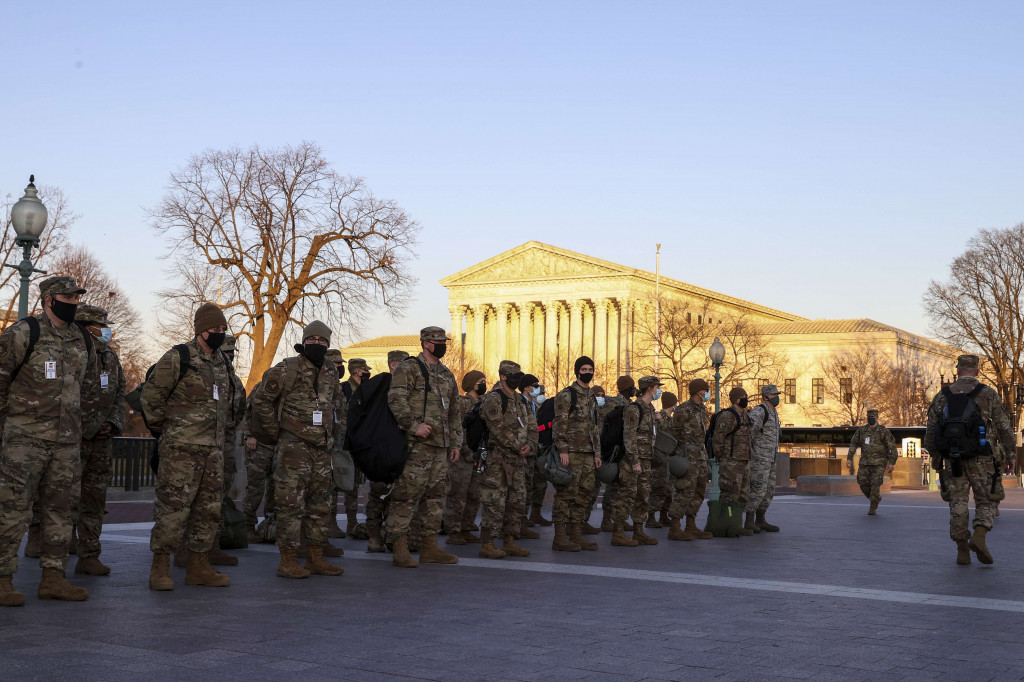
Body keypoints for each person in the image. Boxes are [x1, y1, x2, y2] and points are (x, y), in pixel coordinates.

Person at [0, 276, 97, 606]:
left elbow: (88, 387)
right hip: (24, 440)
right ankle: (3, 580)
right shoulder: (23, 333)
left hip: (66, 443)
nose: (74, 303)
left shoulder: (83, 338)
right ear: (49, 300)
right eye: (67, 298)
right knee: (13, 509)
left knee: (61, 511)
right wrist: (8, 429)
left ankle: (53, 578)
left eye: (76, 298)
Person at [143, 302, 236, 591]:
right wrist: (167, 431)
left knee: (208, 511)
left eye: (223, 328)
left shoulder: (223, 363)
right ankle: (160, 567)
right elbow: (151, 398)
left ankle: (199, 566)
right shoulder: (178, 357)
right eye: (214, 328)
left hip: (213, 451)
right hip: (181, 450)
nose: (220, 333)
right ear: (200, 330)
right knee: (174, 509)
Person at [252, 321, 343, 579]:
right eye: (311, 339)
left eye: (322, 340)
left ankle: (315, 557)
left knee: (320, 506)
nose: (317, 343)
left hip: (322, 450)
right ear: (303, 342)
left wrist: (333, 436)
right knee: (290, 506)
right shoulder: (286, 368)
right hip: (294, 448)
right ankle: (288, 560)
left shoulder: (330, 371)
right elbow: (261, 400)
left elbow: (336, 404)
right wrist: (277, 431)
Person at [925, 354, 1016, 565]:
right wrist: (1010, 455)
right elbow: (1004, 427)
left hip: (953, 458)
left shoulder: (943, 395)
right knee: (988, 499)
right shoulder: (988, 393)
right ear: (977, 371)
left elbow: (931, 430)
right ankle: (979, 536)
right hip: (983, 457)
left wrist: (936, 455)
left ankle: (962, 551)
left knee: (958, 503)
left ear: (958, 370)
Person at [386, 326, 462, 568]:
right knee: (406, 496)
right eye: (438, 342)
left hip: (440, 447)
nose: (443, 346)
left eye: (444, 342)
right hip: (416, 446)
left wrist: (455, 442)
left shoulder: (447, 374)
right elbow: (396, 399)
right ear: (426, 343)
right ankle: (399, 546)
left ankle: (430, 547)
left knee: (436, 497)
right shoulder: (409, 368)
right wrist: (413, 425)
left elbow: (454, 411)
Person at [73, 304, 126, 576]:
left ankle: (89, 554)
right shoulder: (73, 353)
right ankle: (54, 557)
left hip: (101, 442)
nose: (106, 330)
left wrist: (112, 423)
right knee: (64, 500)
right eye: (101, 326)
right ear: (86, 327)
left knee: (94, 501)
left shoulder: (110, 357)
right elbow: (63, 395)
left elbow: (120, 393)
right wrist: (92, 426)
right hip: (73, 440)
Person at [478, 361, 538, 559]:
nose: (518, 379)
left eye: (520, 375)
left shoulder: (521, 400)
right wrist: (518, 446)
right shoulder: (494, 399)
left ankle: (510, 540)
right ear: (503, 376)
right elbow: (498, 428)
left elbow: (532, 425)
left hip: (518, 460)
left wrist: (530, 445)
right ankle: (488, 543)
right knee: (494, 502)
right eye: (514, 375)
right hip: (498, 460)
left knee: (516, 501)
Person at [551, 356, 602, 552]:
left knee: (584, 494)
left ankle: (576, 534)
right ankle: (560, 537)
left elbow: (594, 427)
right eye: (584, 369)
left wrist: (597, 453)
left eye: (590, 369)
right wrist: (563, 450)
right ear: (577, 371)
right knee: (566, 494)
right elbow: (559, 425)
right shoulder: (567, 395)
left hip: (588, 453)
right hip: (571, 453)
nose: (588, 372)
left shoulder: (591, 396)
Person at [361, 350, 410, 553]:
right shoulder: (380, 386)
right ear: (393, 365)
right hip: (381, 448)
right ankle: (374, 536)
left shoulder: (409, 387)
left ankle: (391, 536)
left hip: (402, 447)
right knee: (378, 493)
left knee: (399, 494)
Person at [611, 376, 660, 547]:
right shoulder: (634, 408)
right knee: (627, 495)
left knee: (643, 496)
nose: (658, 390)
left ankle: (639, 531)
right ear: (649, 388)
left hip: (646, 459)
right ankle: (618, 533)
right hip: (633, 461)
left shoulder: (650, 409)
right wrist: (634, 461)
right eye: (656, 387)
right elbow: (629, 436)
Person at [668, 379, 713, 541]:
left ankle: (691, 524)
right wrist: (677, 454)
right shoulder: (683, 410)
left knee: (699, 491)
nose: (707, 393)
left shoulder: (702, 410)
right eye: (705, 390)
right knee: (685, 490)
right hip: (687, 456)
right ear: (697, 392)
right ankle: (675, 526)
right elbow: (674, 433)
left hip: (700, 455)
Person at [444, 370, 486, 546]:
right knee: (458, 494)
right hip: (462, 457)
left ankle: (467, 528)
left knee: (475, 494)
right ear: (471, 384)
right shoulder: (462, 403)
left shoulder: (484, 403)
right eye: (480, 381)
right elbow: (456, 428)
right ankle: (453, 532)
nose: (483, 384)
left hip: (479, 455)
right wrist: (465, 449)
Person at [712, 386, 753, 537]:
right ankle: (727, 524)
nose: (746, 399)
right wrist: (721, 457)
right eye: (743, 397)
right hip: (730, 463)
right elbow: (718, 439)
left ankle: (736, 524)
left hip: (744, 461)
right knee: (729, 495)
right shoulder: (727, 416)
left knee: (743, 495)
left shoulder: (746, 416)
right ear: (735, 399)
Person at [596, 376, 634, 533]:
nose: (634, 390)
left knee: (622, 486)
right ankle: (607, 520)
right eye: (632, 387)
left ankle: (619, 519)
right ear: (627, 388)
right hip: (614, 449)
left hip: (624, 448)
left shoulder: (629, 404)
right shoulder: (614, 403)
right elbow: (603, 424)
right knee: (613, 485)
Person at [846, 408, 898, 516]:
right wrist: (849, 458)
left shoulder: (883, 431)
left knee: (875, 484)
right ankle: (875, 497)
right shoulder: (862, 431)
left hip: (879, 463)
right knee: (862, 482)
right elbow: (853, 443)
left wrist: (892, 462)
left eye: (872, 417)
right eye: (869, 417)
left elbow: (891, 446)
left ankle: (873, 504)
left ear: (877, 418)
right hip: (865, 462)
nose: (870, 419)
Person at [745, 384, 782, 533]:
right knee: (758, 489)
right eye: (774, 395)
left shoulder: (774, 412)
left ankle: (760, 520)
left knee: (769, 491)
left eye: (777, 394)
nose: (777, 397)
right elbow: (749, 433)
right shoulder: (760, 411)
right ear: (765, 396)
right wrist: (752, 453)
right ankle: (749, 520)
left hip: (771, 458)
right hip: (760, 459)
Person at [242, 379, 276, 542]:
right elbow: (247, 410)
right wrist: (249, 435)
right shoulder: (262, 387)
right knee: (255, 488)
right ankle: (247, 526)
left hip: (277, 444)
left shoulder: (290, 389)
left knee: (275, 488)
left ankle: (269, 526)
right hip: (259, 444)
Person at [514, 374, 542, 540]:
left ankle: (523, 521)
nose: (537, 388)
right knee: (520, 489)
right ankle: (517, 523)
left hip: (532, 451)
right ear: (526, 387)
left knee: (529, 487)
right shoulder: (520, 403)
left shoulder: (532, 404)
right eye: (535, 385)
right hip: (522, 452)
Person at [647, 391, 676, 528]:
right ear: (673, 404)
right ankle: (651, 517)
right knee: (659, 488)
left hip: (669, 459)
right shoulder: (659, 418)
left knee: (668, 489)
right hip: (660, 459)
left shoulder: (670, 419)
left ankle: (664, 516)